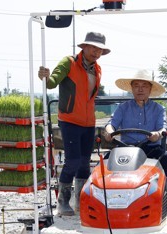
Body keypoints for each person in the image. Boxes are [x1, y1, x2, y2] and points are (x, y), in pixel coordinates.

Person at [38, 31, 110, 216]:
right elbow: (52, 83)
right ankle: (63, 202)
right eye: (93, 47)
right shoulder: (68, 63)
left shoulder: (97, 69)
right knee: (73, 161)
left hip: (88, 122)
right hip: (69, 120)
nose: (96, 52)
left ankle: (80, 200)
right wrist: (46, 77)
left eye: (99, 49)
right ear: (84, 47)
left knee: (85, 162)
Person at [104, 69, 167, 189]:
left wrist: (157, 134)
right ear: (131, 88)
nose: (140, 89)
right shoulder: (122, 108)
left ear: (150, 89)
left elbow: (163, 127)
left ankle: (162, 194)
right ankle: (108, 196)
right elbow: (111, 124)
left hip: (150, 149)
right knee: (106, 159)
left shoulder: (159, 109)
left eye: (144, 86)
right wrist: (109, 132)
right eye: (136, 85)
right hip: (125, 149)